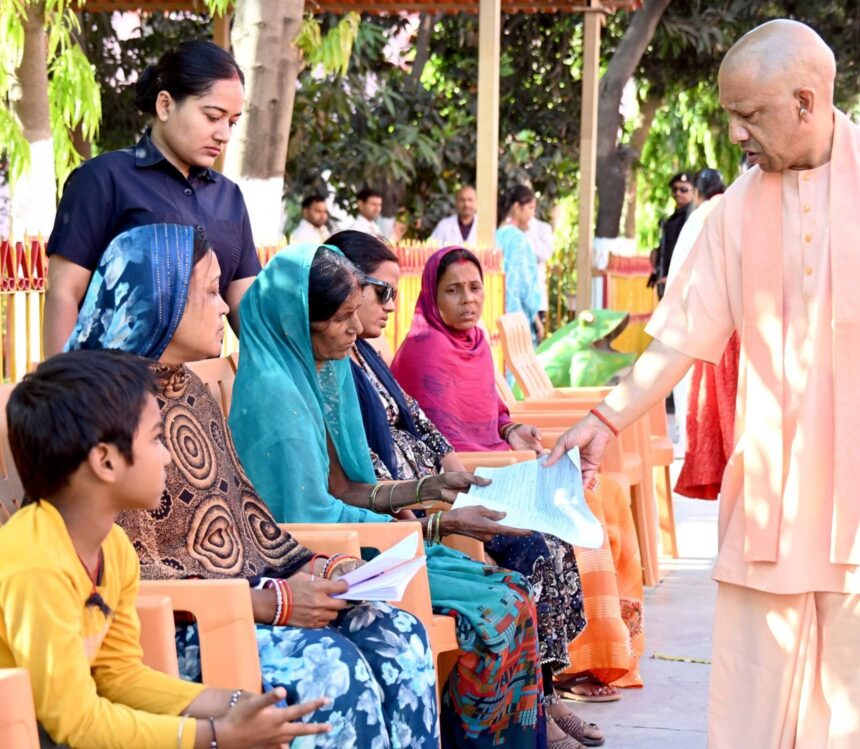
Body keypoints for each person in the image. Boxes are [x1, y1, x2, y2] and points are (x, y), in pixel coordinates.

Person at [547, 19, 860, 747]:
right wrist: (604, 420)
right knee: (751, 709)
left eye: (749, 114)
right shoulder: (733, 212)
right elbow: (679, 338)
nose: (735, 133)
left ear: (805, 101)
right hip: (774, 505)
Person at [63, 223, 440, 748]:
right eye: (209, 292)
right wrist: (272, 602)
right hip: (178, 629)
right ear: (161, 296)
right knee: (331, 671)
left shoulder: (189, 390)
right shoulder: (101, 415)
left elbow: (247, 519)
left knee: (397, 633)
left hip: (249, 598)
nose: (225, 308)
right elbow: (134, 576)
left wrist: (324, 569)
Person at [228, 241, 550, 749]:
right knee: (500, 607)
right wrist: (437, 525)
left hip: (361, 542)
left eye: (354, 314)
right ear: (299, 323)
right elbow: (311, 520)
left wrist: (428, 489)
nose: (354, 330)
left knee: (513, 589)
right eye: (342, 319)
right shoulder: (277, 398)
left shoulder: (318, 369)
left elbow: (344, 487)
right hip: (319, 559)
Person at [334, 233, 611, 747]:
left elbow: (426, 427)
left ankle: (546, 693)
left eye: (474, 288)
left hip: (448, 487)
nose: (390, 305)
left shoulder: (368, 356)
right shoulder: (354, 364)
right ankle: (535, 704)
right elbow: (362, 469)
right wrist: (439, 508)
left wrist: (478, 474)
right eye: (381, 292)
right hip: (412, 506)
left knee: (552, 537)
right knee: (529, 548)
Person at [1, 348, 330, 749]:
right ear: (105, 461)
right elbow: (76, 723)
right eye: (156, 439)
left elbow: (120, 676)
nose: (169, 456)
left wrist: (236, 703)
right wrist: (215, 736)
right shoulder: (36, 564)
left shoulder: (112, 548)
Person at [391, 246, 647, 707]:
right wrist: (508, 466)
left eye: (475, 288)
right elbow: (442, 446)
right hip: (469, 482)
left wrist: (512, 430)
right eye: (453, 290)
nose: (468, 299)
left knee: (603, 491)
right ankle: (575, 664)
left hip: (503, 465)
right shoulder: (425, 351)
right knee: (582, 502)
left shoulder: (476, 344)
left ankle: (606, 650)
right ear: (432, 296)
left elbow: (493, 415)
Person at [43, 40, 259, 357]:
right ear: (165, 105)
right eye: (213, 116)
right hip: (117, 378)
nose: (224, 134)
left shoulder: (229, 196)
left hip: (202, 382)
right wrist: (62, 380)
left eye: (232, 122)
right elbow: (64, 292)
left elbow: (245, 302)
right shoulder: (104, 179)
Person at [666, 168, 729, 459]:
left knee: (690, 383)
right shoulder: (726, 208)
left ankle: (692, 440)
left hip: (692, 312)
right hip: (715, 314)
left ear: (699, 193)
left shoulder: (700, 215)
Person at [497, 186, 544, 344]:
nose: (532, 215)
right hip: (518, 322)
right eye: (530, 208)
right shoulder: (517, 239)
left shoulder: (496, 235)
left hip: (496, 316)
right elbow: (523, 285)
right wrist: (535, 317)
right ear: (517, 207)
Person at [654, 173, 693, 298]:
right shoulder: (671, 220)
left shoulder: (693, 218)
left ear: (694, 192)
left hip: (683, 284)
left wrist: (676, 277)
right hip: (667, 282)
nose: (678, 193)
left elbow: (691, 253)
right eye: (674, 189)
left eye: (684, 189)